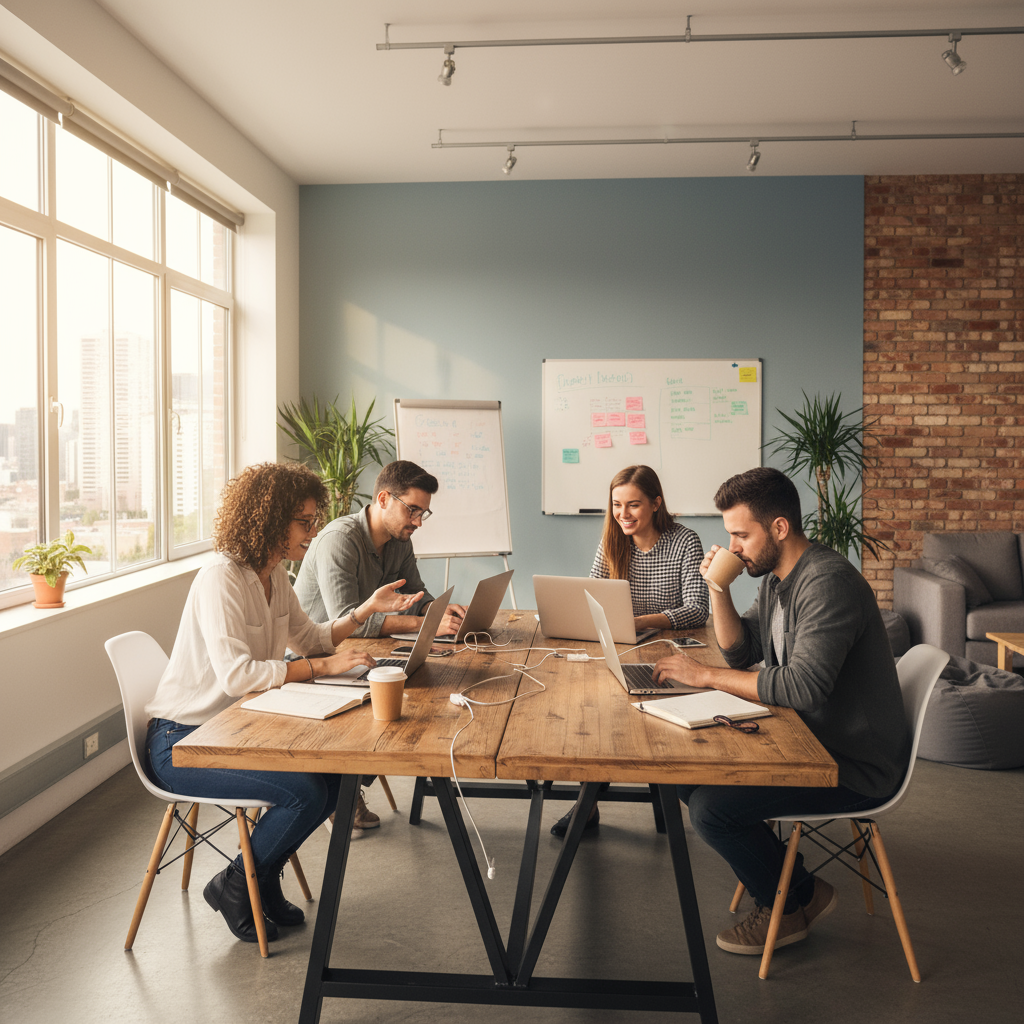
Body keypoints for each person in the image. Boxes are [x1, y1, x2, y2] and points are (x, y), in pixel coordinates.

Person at [145, 462, 424, 946]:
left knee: (335, 779)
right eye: (305, 522)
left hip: (236, 727)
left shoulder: (274, 575)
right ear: (270, 520)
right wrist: (321, 669)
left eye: (315, 521)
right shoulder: (222, 580)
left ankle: (257, 875)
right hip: (183, 741)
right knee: (307, 793)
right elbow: (239, 675)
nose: (313, 532)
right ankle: (238, 882)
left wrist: (365, 610)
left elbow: (312, 638)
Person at [651, 466, 910, 957]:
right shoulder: (776, 579)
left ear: (779, 528)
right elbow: (739, 651)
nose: (733, 547)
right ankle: (790, 890)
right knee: (686, 778)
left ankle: (791, 904)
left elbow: (804, 686)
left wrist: (702, 678)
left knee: (712, 810)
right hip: (808, 739)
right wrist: (718, 589)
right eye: (730, 536)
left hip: (852, 764)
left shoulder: (826, 583)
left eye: (741, 535)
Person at [550, 464, 708, 837]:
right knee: (590, 714)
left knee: (620, 718)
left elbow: (698, 608)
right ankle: (587, 804)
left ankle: (586, 806)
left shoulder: (685, 541)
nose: (623, 514)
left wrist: (638, 621)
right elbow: (591, 597)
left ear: (656, 503)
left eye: (633, 505)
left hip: (666, 654)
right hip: (620, 648)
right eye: (617, 505)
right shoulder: (611, 541)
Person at [294, 460, 467, 639]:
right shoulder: (339, 539)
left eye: (422, 513)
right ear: (383, 499)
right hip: (310, 654)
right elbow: (344, 621)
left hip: (354, 649)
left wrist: (436, 609)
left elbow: (413, 594)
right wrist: (428, 624)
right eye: (412, 510)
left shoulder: (400, 539)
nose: (418, 522)